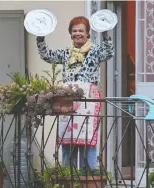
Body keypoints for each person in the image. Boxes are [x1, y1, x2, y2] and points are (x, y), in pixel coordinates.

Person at [36, 16, 114, 169]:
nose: (77, 33)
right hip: (68, 99)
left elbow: (109, 53)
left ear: (87, 33)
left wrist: (105, 33)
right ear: (70, 33)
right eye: (74, 30)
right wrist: (40, 37)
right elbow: (47, 56)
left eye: (81, 30)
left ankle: (88, 177)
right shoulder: (66, 52)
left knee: (87, 141)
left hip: (88, 100)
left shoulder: (95, 51)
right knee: (68, 142)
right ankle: (68, 177)